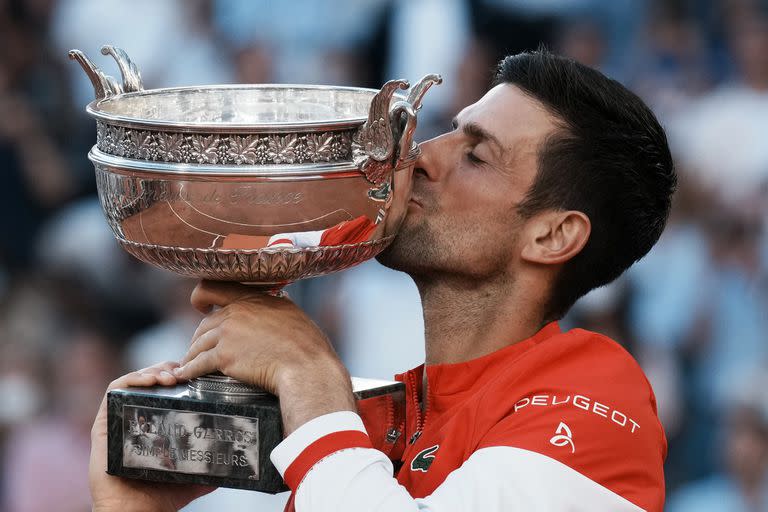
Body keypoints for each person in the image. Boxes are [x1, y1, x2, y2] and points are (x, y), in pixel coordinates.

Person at [88, 50, 676, 511]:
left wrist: (306, 371)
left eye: (477, 155)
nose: (419, 156)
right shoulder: (380, 421)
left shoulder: (597, 399)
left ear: (552, 236)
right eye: (449, 130)